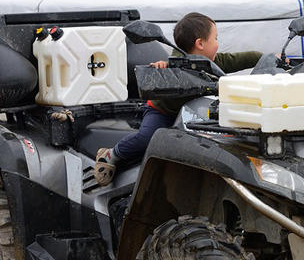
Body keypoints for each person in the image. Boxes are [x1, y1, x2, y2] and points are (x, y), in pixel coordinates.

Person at [94, 12, 262, 185]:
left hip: (195, 113)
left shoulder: (212, 62)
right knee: (147, 137)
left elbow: (238, 59)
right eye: (216, 38)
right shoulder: (176, 61)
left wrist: (267, 58)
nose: (218, 44)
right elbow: (168, 65)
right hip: (163, 111)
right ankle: (112, 154)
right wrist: (162, 68)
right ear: (200, 43)